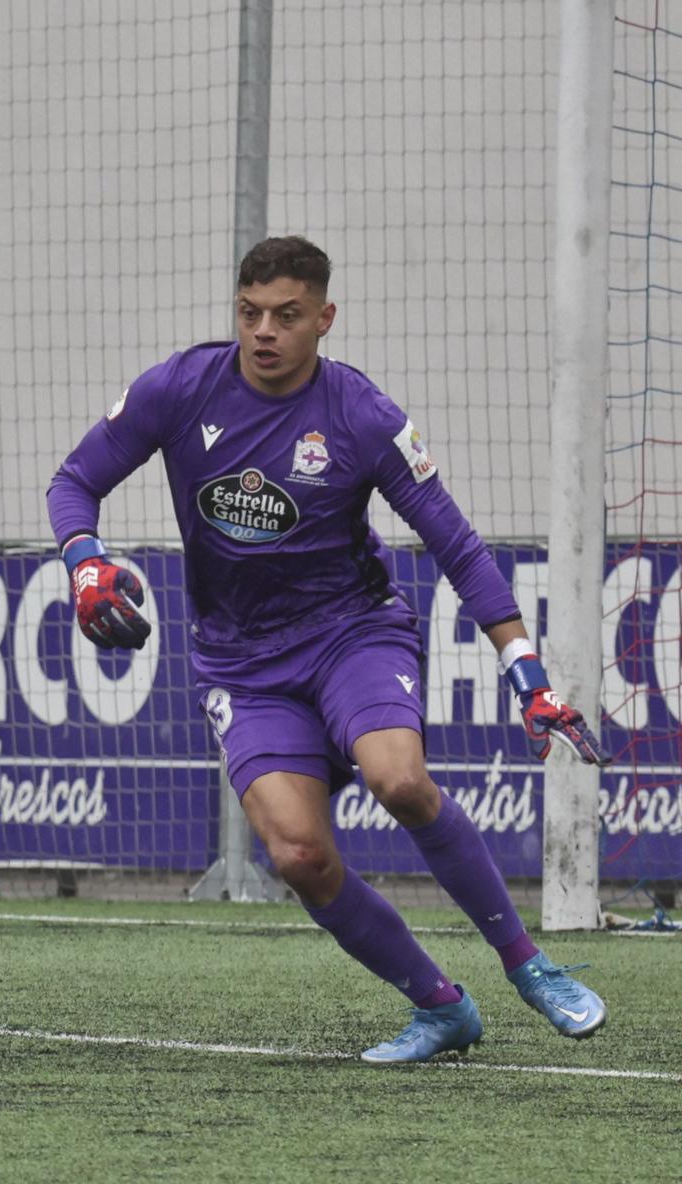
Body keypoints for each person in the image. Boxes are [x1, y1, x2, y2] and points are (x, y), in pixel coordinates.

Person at [47, 235, 608, 1064]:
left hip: (351, 632)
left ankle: (528, 963)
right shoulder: (179, 387)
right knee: (300, 856)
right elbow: (72, 482)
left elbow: (456, 545)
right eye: (249, 314)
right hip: (241, 662)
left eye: (286, 315)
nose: (263, 331)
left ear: (324, 319)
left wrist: (527, 671)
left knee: (400, 779)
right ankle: (441, 1005)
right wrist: (84, 562)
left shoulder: (362, 415)